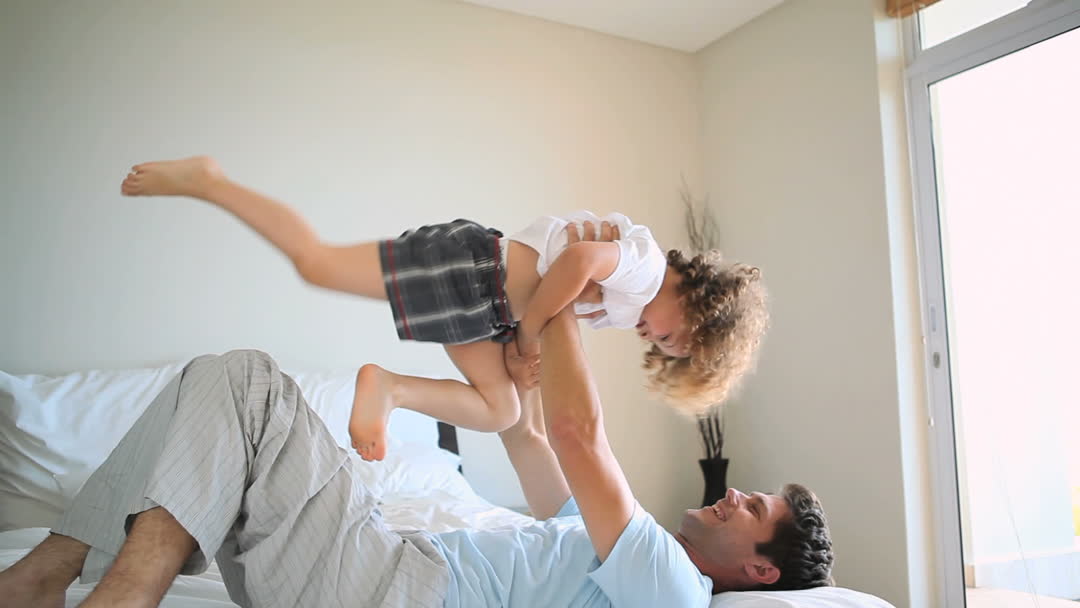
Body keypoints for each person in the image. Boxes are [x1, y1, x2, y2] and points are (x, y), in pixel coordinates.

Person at [0, 311, 831, 608]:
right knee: (208, 382)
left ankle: (113, 593)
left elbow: (583, 437)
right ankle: (46, 574)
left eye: (753, 510)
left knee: (245, 379)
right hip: (372, 575)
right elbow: (531, 438)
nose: (734, 497)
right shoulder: (622, 551)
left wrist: (571, 305)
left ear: (760, 572)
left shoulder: (673, 586)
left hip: (396, 588)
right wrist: (509, 352)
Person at [119, 156, 769, 461]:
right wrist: (530, 339)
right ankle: (210, 181)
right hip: (474, 269)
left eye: (666, 352)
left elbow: (556, 313)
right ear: (696, 306)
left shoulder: (629, 305)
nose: (657, 344)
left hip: (486, 309)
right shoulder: (647, 267)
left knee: (502, 411)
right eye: (675, 342)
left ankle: (390, 388)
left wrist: (527, 353)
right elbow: (573, 264)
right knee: (316, 263)